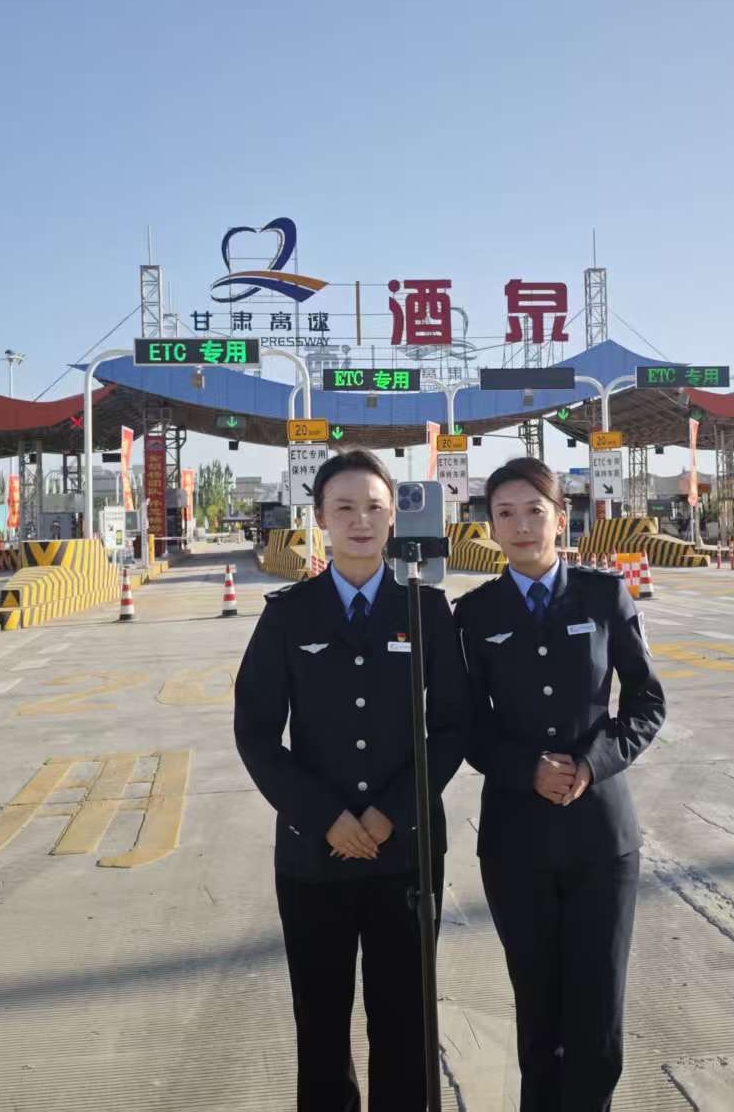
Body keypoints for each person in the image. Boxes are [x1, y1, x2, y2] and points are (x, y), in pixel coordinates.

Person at [234, 449, 469, 1111]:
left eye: (373, 506)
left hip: (407, 853)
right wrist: (324, 817)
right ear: (319, 519)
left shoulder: (426, 611)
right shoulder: (288, 614)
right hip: (314, 857)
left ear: (394, 517)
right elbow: (256, 732)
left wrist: (393, 811)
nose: (360, 520)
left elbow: (453, 726)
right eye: (344, 507)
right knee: (320, 1024)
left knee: (405, 1024)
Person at [454, 457, 666, 1111]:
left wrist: (593, 763)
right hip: (515, 842)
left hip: (602, 838)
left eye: (534, 511)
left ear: (560, 517)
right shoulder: (473, 613)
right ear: (491, 526)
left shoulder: (605, 596)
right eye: (506, 514)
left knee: (597, 1013)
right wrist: (526, 769)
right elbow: (463, 725)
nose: (521, 526)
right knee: (539, 1010)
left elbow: (646, 703)